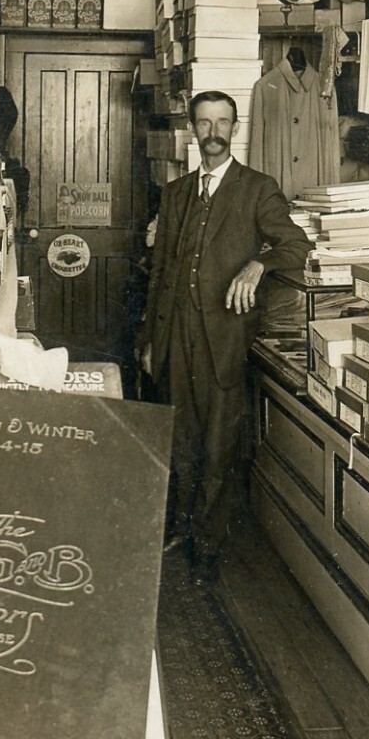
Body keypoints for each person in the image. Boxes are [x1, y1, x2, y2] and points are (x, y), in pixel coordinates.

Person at [139, 90, 311, 586]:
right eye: (204, 123)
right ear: (193, 129)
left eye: (222, 123)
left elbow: (295, 245)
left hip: (224, 338)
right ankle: (183, 529)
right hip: (176, 336)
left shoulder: (257, 188)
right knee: (180, 440)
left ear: (234, 129)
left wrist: (258, 263)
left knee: (217, 445)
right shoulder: (175, 195)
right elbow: (161, 273)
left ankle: (207, 547)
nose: (212, 132)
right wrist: (151, 340)